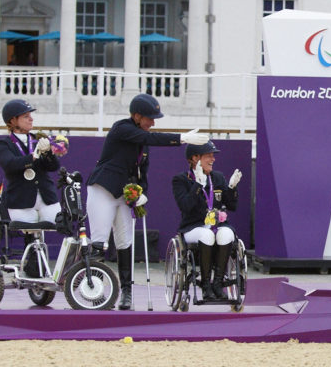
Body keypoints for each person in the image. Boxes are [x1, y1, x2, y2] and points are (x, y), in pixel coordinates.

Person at [88, 93, 209, 309]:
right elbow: (147, 138)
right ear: (136, 116)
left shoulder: (144, 145)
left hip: (125, 195)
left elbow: (142, 174)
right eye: (149, 118)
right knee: (99, 241)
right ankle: (91, 287)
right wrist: (181, 139)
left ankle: (126, 292)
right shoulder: (121, 128)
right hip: (104, 190)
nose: (152, 123)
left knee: (125, 242)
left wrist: (142, 192)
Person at [172, 142, 241, 301]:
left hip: (217, 225)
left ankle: (217, 283)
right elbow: (186, 206)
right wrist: (198, 185)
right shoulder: (180, 179)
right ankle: (205, 284)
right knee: (206, 235)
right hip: (193, 227)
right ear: (195, 158)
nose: (213, 159)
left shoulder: (217, 177)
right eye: (209, 155)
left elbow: (232, 205)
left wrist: (231, 187)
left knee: (227, 234)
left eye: (213, 155)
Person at [0, 100, 62, 228]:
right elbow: (10, 164)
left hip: (46, 197)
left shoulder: (38, 139)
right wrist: (33, 157)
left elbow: (53, 167)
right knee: (29, 232)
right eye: (26, 116)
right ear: (13, 121)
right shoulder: (4, 144)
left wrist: (48, 153)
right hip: (21, 200)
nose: (31, 119)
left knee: (56, 225)